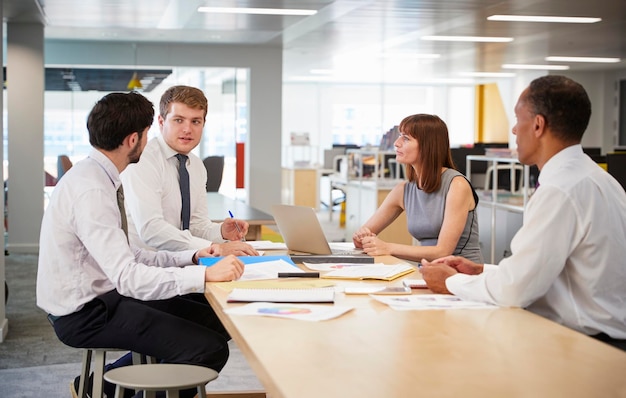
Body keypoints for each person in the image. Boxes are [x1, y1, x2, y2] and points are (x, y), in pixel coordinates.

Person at [36, 92, 245, 397]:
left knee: (215, 317)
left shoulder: (97, 176)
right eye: (148, 133)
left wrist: (194, 258)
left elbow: (129, 254)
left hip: (103, 295)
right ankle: (113, 385)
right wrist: (203, 275)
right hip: (85, 312)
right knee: (208, 350)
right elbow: (128, 276)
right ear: (134, 139)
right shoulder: (93, 190)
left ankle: (106, 385)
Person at [420, 75, 626, 351]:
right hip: (603, 340)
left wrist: (451, 282)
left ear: (538, 125)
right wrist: (481, 271)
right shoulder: (598, 179)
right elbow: (552, 270)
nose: (515, 131)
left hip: (586, 345)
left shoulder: (561, 190)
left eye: (518, 120)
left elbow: (515, 290)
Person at [120, 85, 258, 256]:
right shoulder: (142, 160)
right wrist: (214, 248)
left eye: (195, 121)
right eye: (178, 120)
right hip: (144, 268)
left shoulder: (196, 166)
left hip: (182, 264)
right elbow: (151, 230)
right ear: (161, 122)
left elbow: (196, 225)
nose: (187, 129)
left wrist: (221, 232)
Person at [352, 114, 483, 263]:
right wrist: (361, 237)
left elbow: (442, 251)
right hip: (428, 270)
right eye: (399, 136)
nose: (396, 143)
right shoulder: (403, 189)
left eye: (406, 138)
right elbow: (365, 235)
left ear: (428, 145)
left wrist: (388, 247)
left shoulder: (457, 185)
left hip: (461, 274)